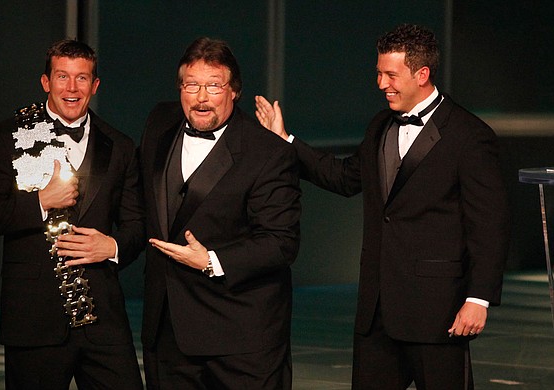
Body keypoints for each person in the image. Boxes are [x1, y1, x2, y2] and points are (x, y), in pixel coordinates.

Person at [255, 24, 509, 389]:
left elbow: (489, 225)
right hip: (376, 315)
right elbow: (343, 177)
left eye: (391, 74)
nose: (380, 83)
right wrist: (285, 141)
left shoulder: (470, 136)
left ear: (422, 74)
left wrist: (478, 298)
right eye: (378, 73)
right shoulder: (379, 126)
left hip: (439, 313)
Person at [0, 39, 145, 389]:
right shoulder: (9, 136)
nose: (72, 88)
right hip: (33, 319)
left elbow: (137, 226)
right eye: (62, 77)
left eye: (81, 78)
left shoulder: (119, 145)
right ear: (46, 82)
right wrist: (40, 202)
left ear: (95, 85)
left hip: (102, 319)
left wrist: (114, 247)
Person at [138, 37, 301, 389]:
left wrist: (211, 260)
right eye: (191, 85)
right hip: (167, 332)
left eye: (214, 86)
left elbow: (281, 243)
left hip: (241, 339)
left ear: (235, 91)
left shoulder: (267, 152)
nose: (201, 98)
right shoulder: (159, 122)